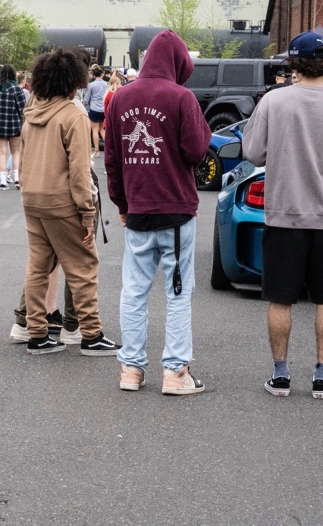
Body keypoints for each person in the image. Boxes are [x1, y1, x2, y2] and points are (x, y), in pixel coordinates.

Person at [242, 30, 323, 400]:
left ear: (294, 63)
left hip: (283, 217)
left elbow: (253, 152)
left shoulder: (273, 102)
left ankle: (281, 376)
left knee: (280, 298)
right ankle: (322, 378)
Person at [104, 30, 210, 395]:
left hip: (137, 208)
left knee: (134, 290)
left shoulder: (120, 97)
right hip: (176, 209)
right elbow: (196, 150)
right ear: (179, 63)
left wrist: (121, 204)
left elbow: (112, 158)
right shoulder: (181, 97)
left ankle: (131, 369)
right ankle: (176, 372)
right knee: (177, 293)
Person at [20, 49, 120, 356]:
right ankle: (91, 334)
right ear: (73, 79)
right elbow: (79, 172)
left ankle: (37, 333)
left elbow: (23, 159)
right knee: (83, 266)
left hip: (33, 198)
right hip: (62, 202)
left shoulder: (32, 112)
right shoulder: (74, 115)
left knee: (38, 267)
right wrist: (87, 213)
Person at [0, 64, 26, 190]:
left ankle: (3, 180)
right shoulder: (17, 89)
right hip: (14, 124)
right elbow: (22, 108)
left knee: (1, 152)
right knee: (16, 152)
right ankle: (17, 179)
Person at [83, 65, 107, 156]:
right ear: (102, 74)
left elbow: (86, 98)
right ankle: (108, 148)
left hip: (94, 109)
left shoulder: (91, 85)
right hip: (103, 109)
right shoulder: (106, 84)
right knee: (102, 129)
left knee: (95, 130)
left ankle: (96, 151)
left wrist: (83, 105)